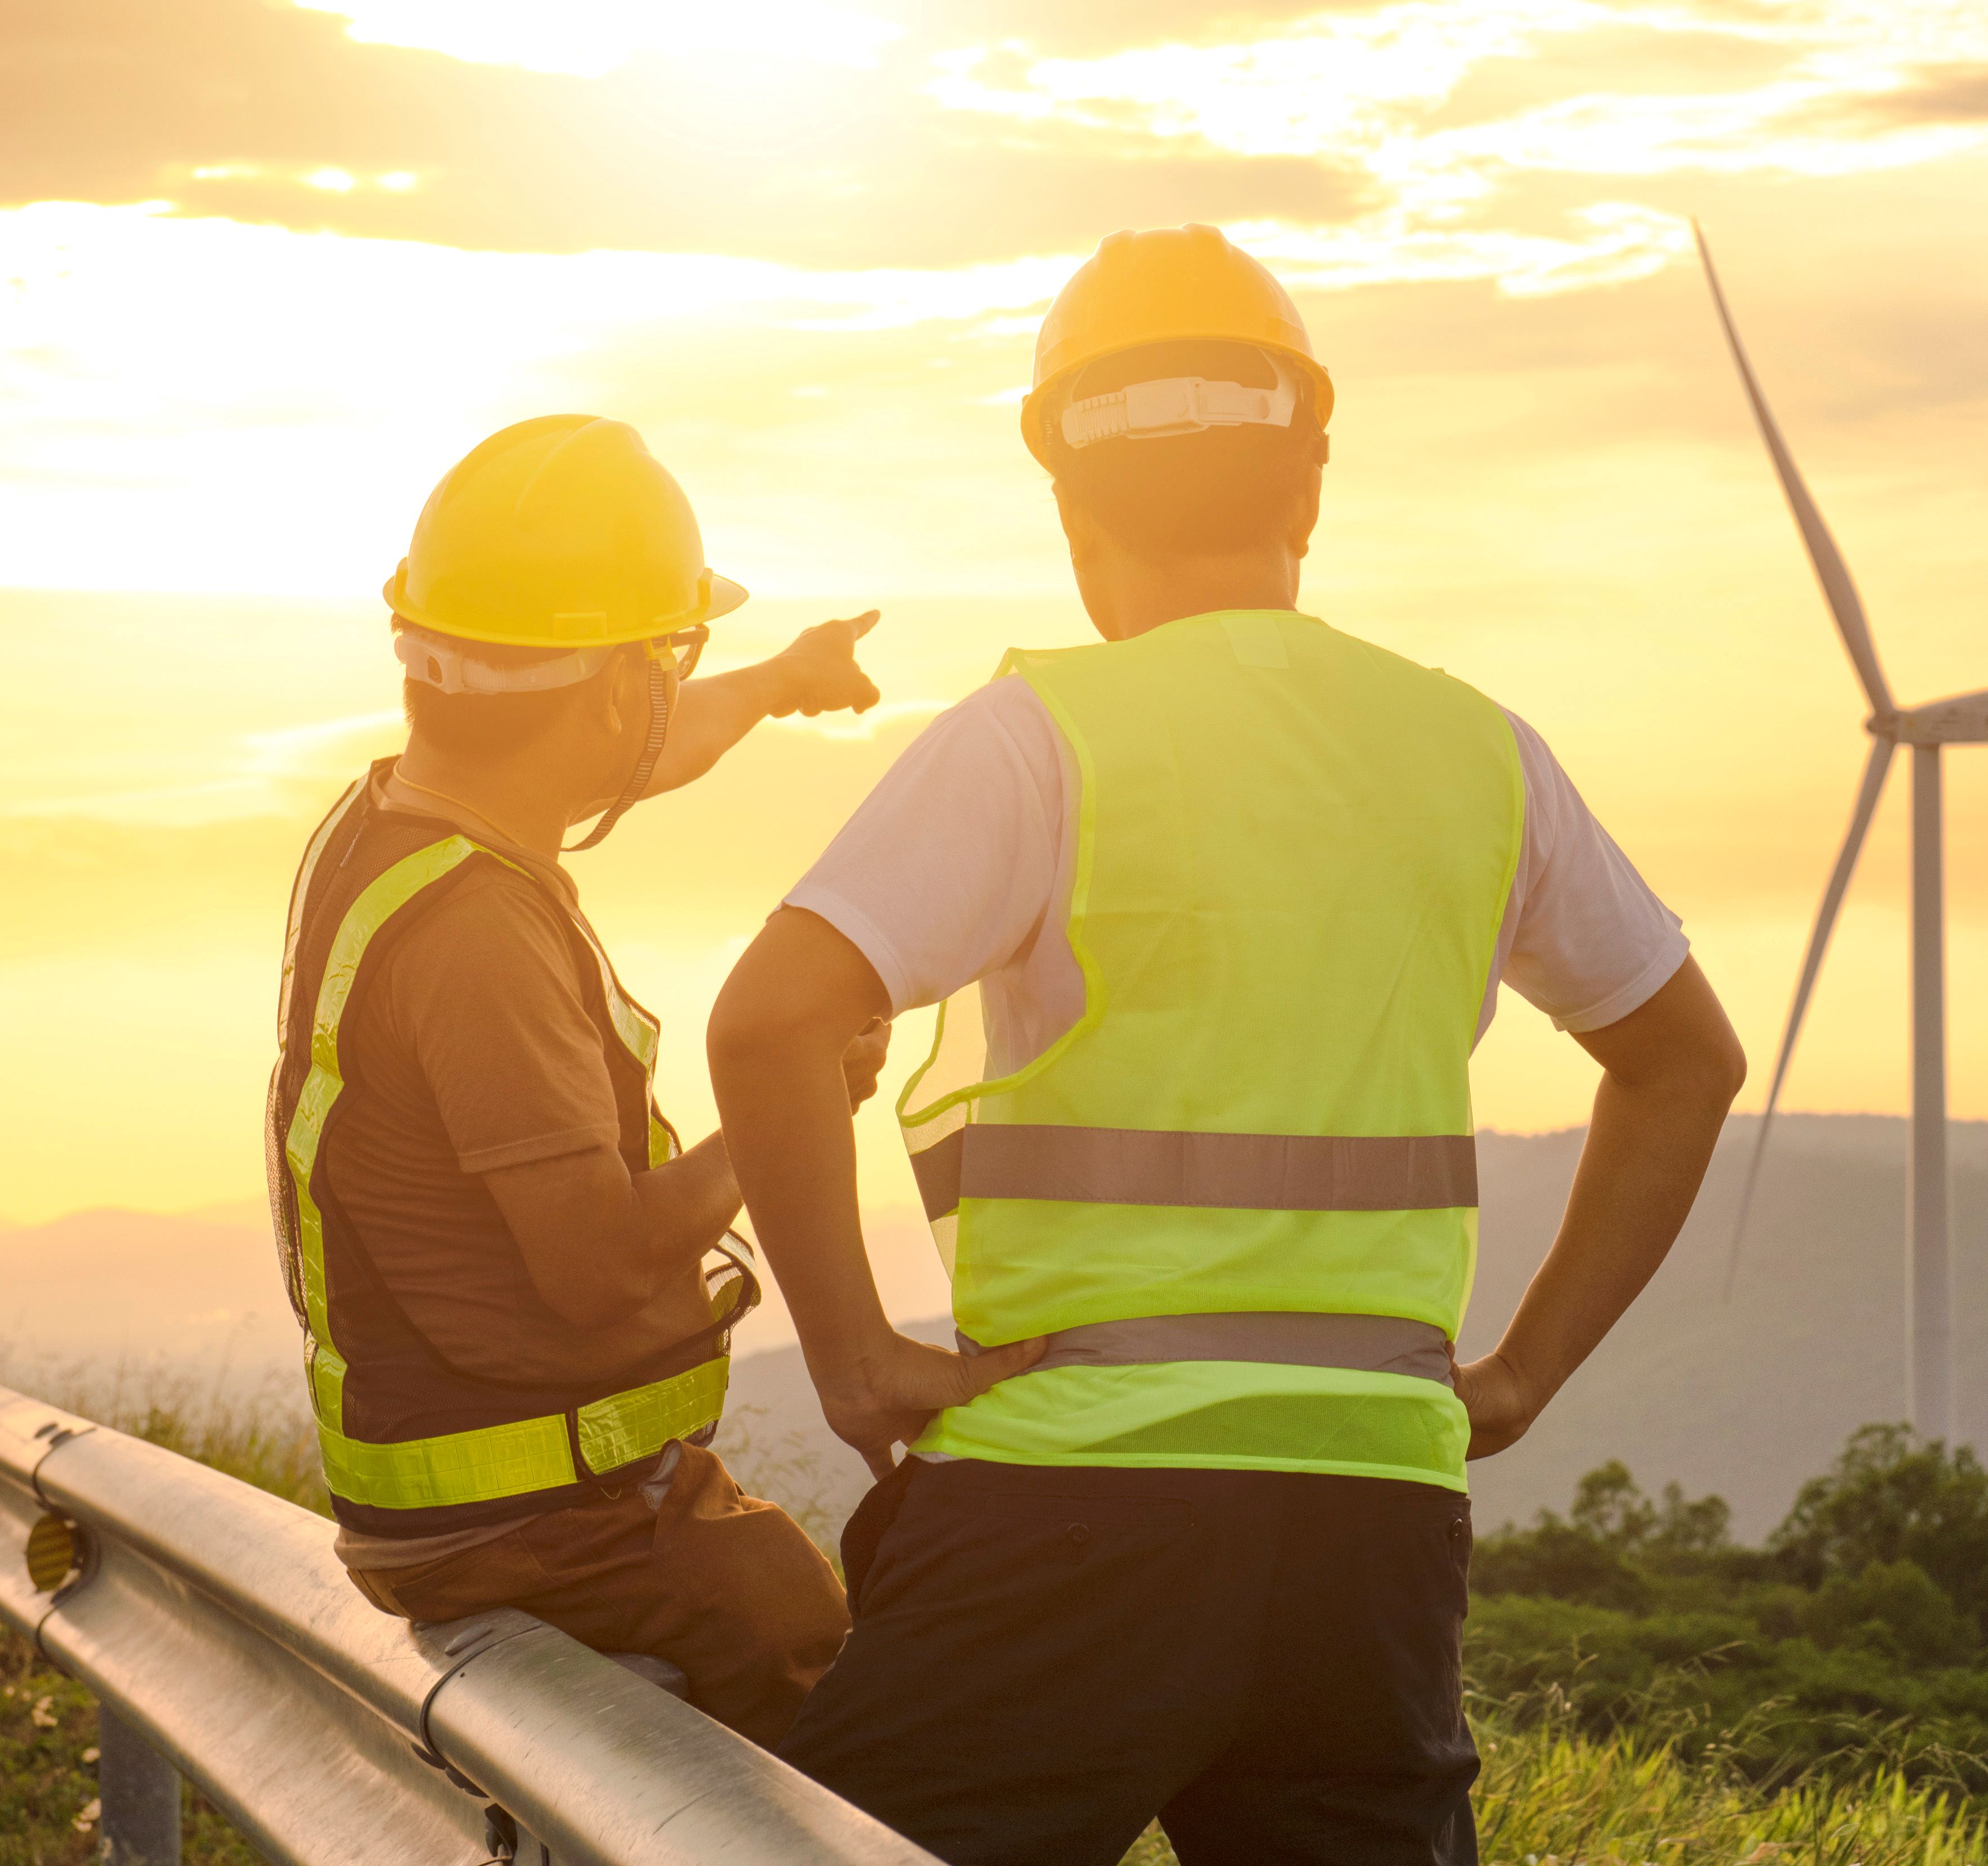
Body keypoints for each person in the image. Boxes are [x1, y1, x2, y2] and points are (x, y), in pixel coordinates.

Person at [708, 225, 1749, 1863]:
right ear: (1306, 488)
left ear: (1072, 506)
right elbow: (1687, 1061)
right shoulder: (1479, 750)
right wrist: (1523, 1372)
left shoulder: (1034, 741)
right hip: (1373, 1527)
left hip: (1069, 1504)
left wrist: (852, 1358)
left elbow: (773, 1019)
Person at [267, 413, 885, 1748]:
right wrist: (787, 1104)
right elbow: (596, 1267)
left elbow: (644, 738)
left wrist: (780, 679)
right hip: (538, 1526)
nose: (672, 690)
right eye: (662, 659)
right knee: (819, 1669)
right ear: (607, 691)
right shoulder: (478, 937)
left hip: (448, 1503)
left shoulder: (393, 823)